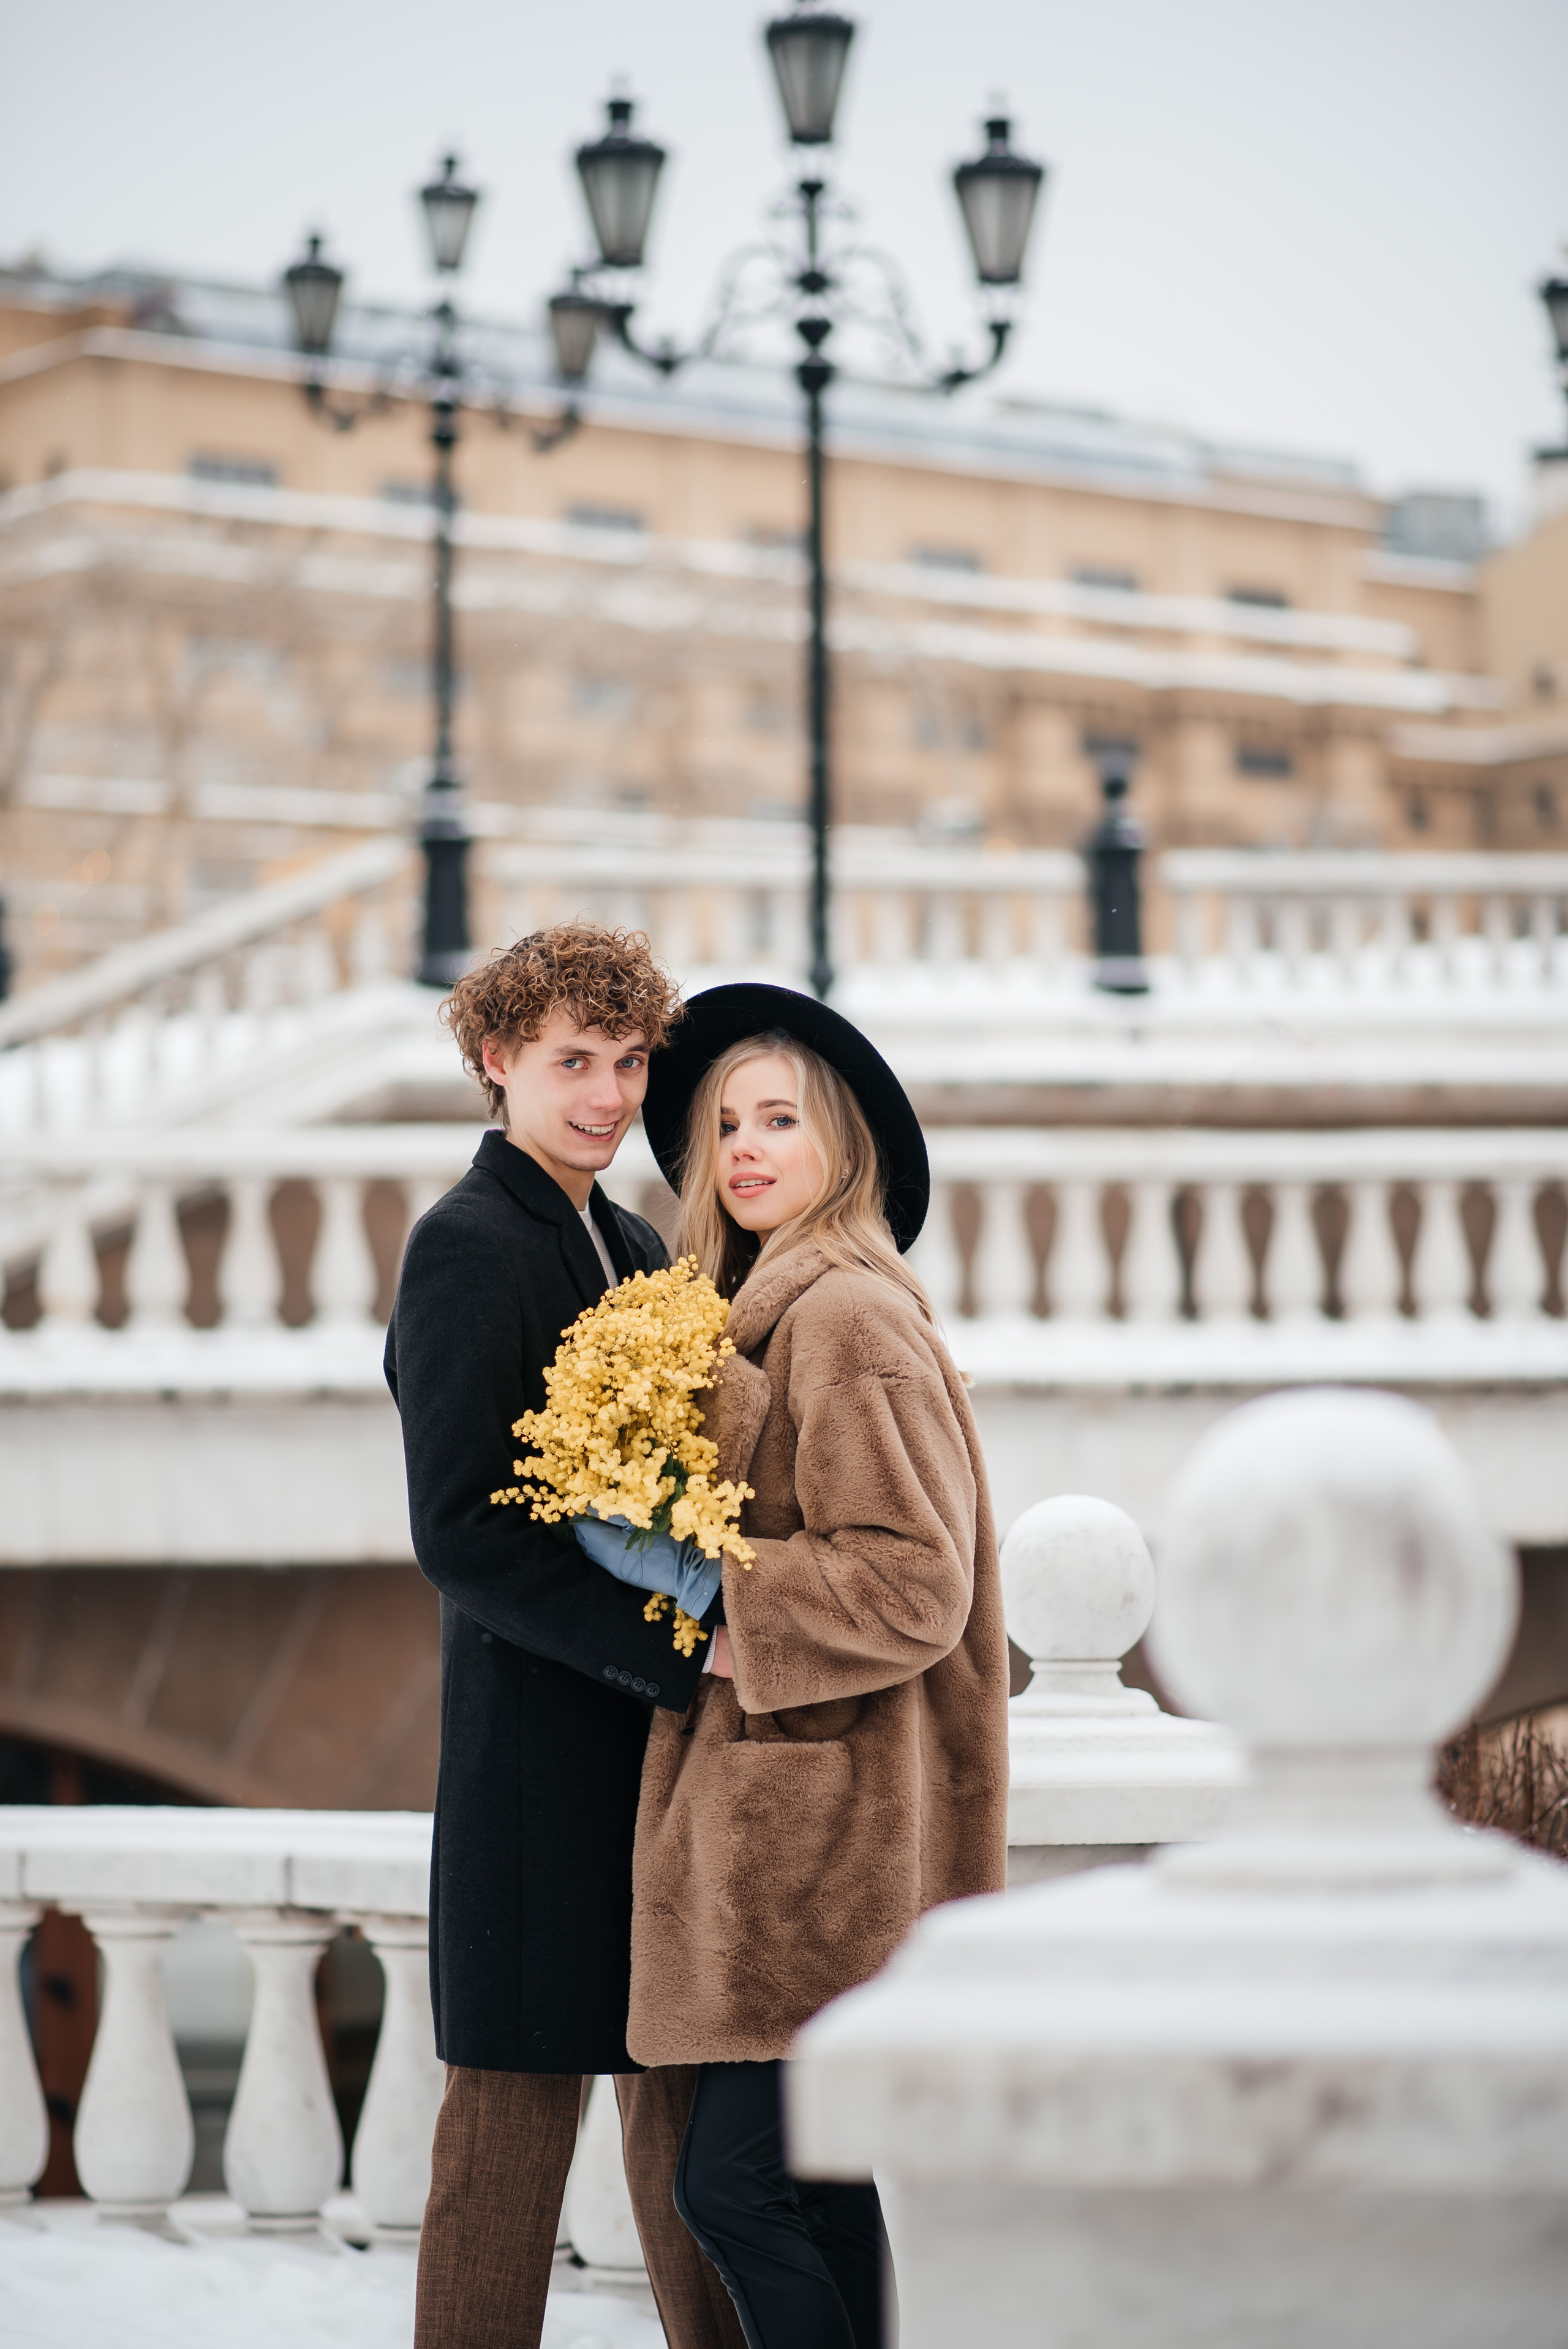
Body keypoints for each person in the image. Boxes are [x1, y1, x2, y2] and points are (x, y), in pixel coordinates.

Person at [578, 981, 1011, 2349]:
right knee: (806, 2188)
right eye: (723, 1126)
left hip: (828, 1837)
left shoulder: (843, 1319)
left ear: (843, 1149)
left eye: (779, 1120)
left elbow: (913, 1584)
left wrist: (715, 1602)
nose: (746, 1148)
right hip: (799, 1828)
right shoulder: (755, 1307)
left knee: (734, 2183)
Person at [384, 923, 743, 2349]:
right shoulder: (466, 1245)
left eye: (629, 1059)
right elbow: (463, 1527)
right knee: (505, 2154)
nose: (607, 1093)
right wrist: (677, 1651)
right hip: (538, 1773)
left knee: (690, 2142)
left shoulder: (633, 1237)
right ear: (495, 1061)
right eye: (570, 1061)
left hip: (648, 1768)